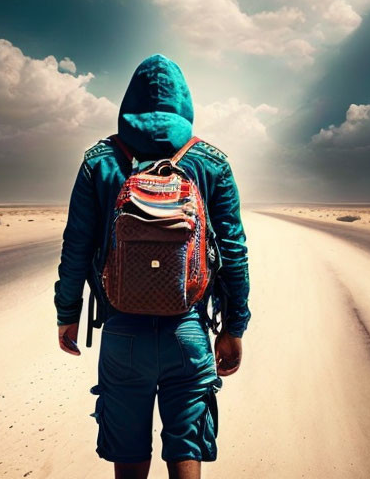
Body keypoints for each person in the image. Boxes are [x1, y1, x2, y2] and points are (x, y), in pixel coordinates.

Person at [53, 54, 250, 479]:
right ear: (186, 103)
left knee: (128, 452)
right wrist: (234, 328)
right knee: (186, 445)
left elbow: (76, 247)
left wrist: (67, 315)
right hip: (189, 328)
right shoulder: (211, 161)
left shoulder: (99, 160)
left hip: (123, 329)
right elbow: (233, 252)